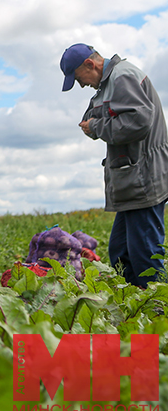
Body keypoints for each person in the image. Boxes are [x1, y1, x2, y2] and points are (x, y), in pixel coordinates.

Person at [60, 43, 168, 287]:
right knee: (121, 253)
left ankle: (157, 314)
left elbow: (139, 122)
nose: (82, 85)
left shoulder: (123, 77)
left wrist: (97, 126)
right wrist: (94, 124)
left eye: (79, 79)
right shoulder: (106, 86)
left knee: (145, 256)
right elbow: (88, 118)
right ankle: (132, 310)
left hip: (144, 178)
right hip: (131, 180)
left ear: (90, 64)